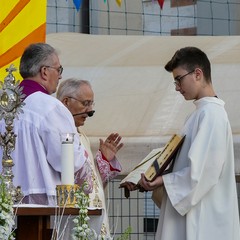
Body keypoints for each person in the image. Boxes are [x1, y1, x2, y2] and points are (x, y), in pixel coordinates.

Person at [129, 47, 240, 240]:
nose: (177, 87)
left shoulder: (211, 114)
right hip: (192, 214)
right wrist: (152, 175)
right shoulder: (198, 114)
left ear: (198, 73)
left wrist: (162, 180)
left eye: (179, 79)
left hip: (203, 220)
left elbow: (202, 172)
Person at [1, 43, 92, 206]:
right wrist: (84, 160)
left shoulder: (4, 104)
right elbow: (67, 160)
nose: (60, 76)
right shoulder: (51, 107)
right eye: (58, 70)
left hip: (5, 202)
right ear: (44, 71)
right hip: (41, 204)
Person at [56, 78, 123, 239]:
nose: (90, 111)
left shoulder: (82, 135)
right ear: (66, 102)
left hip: (93, 216)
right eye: (85, 104)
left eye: (92, 104)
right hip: (73, 218)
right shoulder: (57, 134)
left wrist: (104, 161)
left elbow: (92, 183)